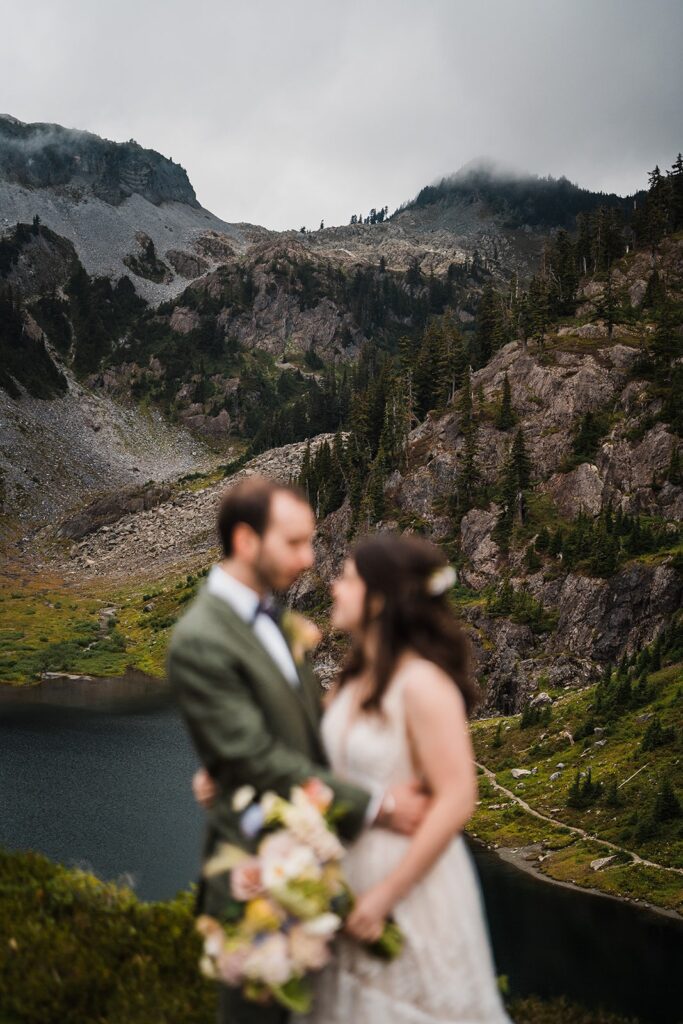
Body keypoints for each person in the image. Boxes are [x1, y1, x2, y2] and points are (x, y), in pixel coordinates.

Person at [167, 476, 429, 1024]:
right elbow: (255, 758)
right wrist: (376, 804)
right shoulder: (199, 638)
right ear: (245, 541)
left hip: (322, 870)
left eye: (311, 541)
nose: (310, 558)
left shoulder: (277, 620)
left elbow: (302, 737)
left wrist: (224, 768)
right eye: (293, 543)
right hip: (256, 887)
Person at [299, 532, 512, 1023]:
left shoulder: (423, 683)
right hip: (347, 878)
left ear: (380, 598)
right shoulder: (350, 682)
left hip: (407, 890)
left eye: (347, 578)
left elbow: (458, 797)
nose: (333, 587)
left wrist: (382, 898)